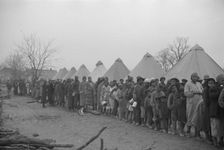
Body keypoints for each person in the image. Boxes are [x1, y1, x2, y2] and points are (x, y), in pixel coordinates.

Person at [184, 73, 203, 137]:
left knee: (197, 116)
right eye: (194, 77)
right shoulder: (188, 84)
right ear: (191, 77)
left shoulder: (199, 84)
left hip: (199, 101)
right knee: (190, 115)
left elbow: (202, 91)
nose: (195, 78)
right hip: (191, 102)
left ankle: (197, 133)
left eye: (196, 77)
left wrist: (200, 94)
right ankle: (188, 131)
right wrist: (193, 93)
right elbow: (186, 93)